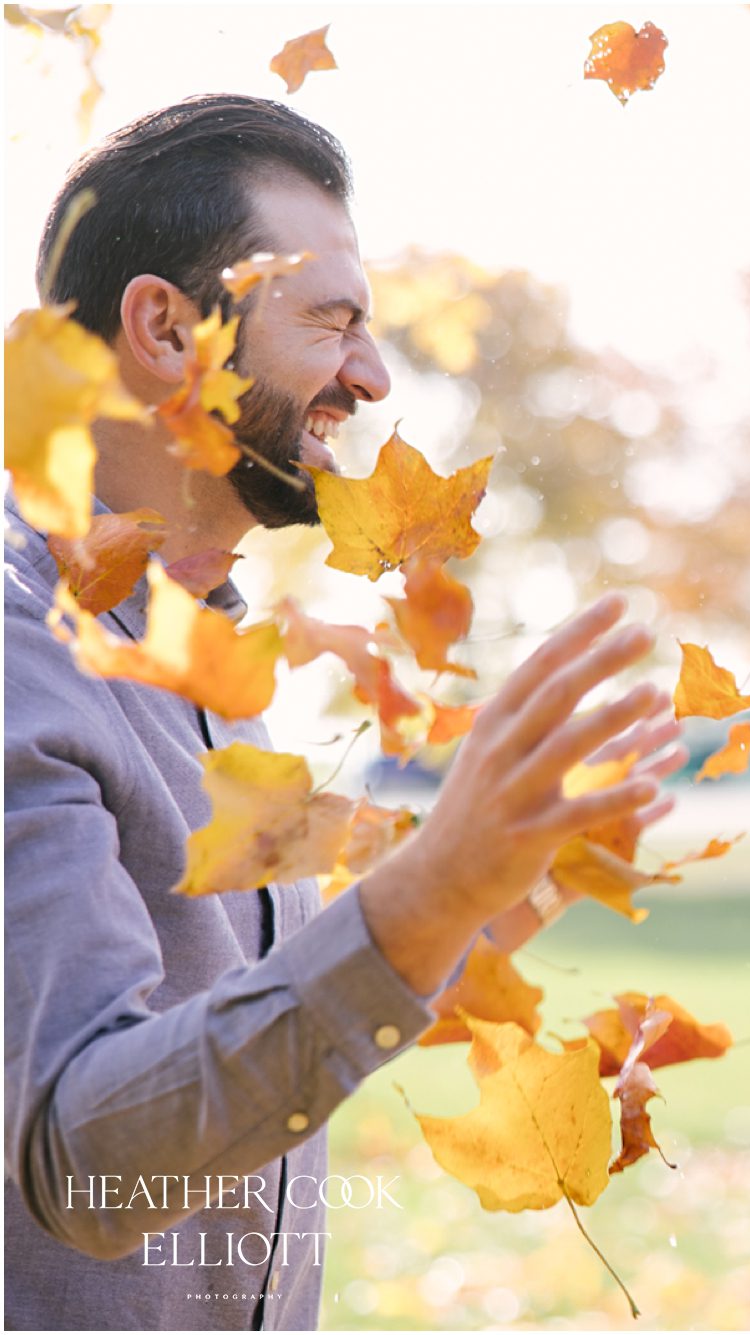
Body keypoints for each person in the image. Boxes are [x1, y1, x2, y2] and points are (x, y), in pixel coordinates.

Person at [5, 95, 682, 1329]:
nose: (369, 377)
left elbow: (234, 1050)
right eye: (331, 322)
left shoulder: (196, 655)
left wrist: (489, 885)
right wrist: (422, 896)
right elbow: (82, 1157)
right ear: (165, 330)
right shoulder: (17, 654)